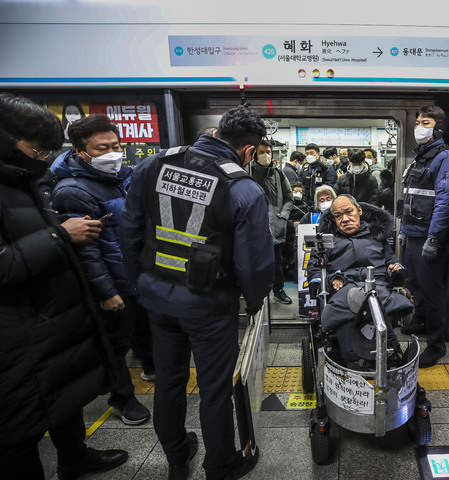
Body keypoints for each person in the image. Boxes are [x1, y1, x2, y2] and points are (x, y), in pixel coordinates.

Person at [121, 105, 273, 480]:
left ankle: (176, 456)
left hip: (157, 297)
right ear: (249, 150)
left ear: (217, 133)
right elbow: (253, 261)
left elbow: (130, 229)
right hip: (208, 304)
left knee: (169, 379)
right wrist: (254, 302)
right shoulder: (242, 187)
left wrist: (137, 283)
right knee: (214, 388)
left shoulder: (153, 165)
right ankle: (220, 465)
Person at [0, 93, 128, 479]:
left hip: (56, 313)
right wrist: (60, 236)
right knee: (20, 426)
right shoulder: (57, 184)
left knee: (64, 398)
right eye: (36, 149)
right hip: (19, 326)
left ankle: (75, 456)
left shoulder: (30, 179)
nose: (41, 157)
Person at [51, 114, 153, 426]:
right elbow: (86, 251)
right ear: (80, 152)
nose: (112, 153)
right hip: (113, 280)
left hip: (138, 275)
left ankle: (150, 366)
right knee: (115, 344)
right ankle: (122, 398)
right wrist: (106, 292)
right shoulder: (74, 191)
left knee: (144, 328)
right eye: (101, 148)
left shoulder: (126, 177)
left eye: (116, 146)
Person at [307, 194, 413, 367]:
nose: (345, 219)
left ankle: (389, 353)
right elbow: (314, 269)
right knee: (354, 300)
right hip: (342, 289)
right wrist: (328, 282)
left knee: (372, 300)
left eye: (348, 212)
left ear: (359, 211)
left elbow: (391, 261)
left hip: (377, 287)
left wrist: (396, 269)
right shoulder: (326, 241)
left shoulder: (376, 236)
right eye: (338, 216)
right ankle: (353, 359)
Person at [399, 105, 449, 367]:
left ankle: (436, 345)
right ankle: (422, 318)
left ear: (438, 128)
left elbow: (445, 202)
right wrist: (403, 231)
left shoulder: (446, 159)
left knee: (433, 290)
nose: (418, 128)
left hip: (429, 237)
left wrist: (434, 238)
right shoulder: (421, 157)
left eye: (425, 123)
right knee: (415, 282)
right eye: (416, 123)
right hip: (414, 233)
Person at [250, 139, 294, 305]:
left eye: (268, 152)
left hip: (277, 226)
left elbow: (289, 198)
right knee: (256, 262)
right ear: (254, 154)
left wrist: (283, 215)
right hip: (257, 225)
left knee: (277, 262)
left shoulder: (278, 173)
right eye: (261, 152)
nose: (265, 156)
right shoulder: (248, 172)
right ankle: (256, 294)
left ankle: (278, 290)